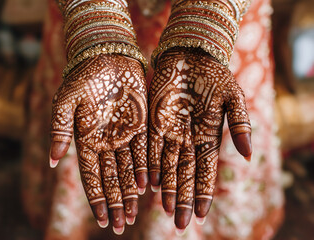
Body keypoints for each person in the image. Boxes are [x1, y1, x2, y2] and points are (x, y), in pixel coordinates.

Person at [22, 0, 284, 239]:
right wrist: (94, 22)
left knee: (204, 116)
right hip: (84, 16)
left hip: (220, 23)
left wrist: (207, 20)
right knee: (91, 113)